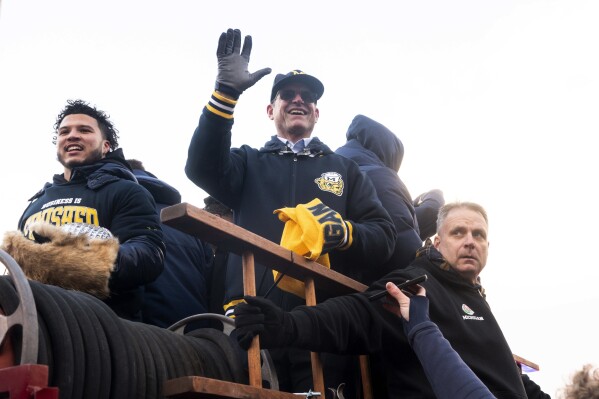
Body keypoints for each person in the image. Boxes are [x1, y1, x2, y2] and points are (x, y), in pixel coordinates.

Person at [185, 28, 396, 396]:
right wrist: (225, 95)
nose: (298, 100)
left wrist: (345, 232)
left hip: (320, 323)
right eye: (287, 95)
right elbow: (201, 167)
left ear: (317, 112)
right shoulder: (248, 162)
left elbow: (384, 237)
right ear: (271, 110)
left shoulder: (346, 171)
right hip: (249, 317)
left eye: (308, 97)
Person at [234, 201, 550, 398]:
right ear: (437, 243)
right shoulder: (417, 283)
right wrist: (288, 325)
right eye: (459, 233)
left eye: (478, 235)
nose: (470, 242)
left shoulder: (475, 296)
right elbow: (358, 316)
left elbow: (502, 374)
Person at [17, 100, 165, 320]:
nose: (72, 135)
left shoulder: (126, 191)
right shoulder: (35, 203)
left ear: (105, 146)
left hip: (99, 329)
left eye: (84, 130)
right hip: (34, 323)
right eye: (64, 132)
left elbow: (150, 255)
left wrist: (92, 258)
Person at [335, 114, 444, 280]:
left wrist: (411, 210)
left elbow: (387, 225)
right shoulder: (380, 176)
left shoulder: (332, 171)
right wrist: (436, 196)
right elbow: (402, 243)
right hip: (369, 290)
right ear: (389, 153)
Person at [127, 159, 214, 331]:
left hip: (142, 339)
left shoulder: (117, 212)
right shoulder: (191, 224)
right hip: (197, 336)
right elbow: (211, 283)